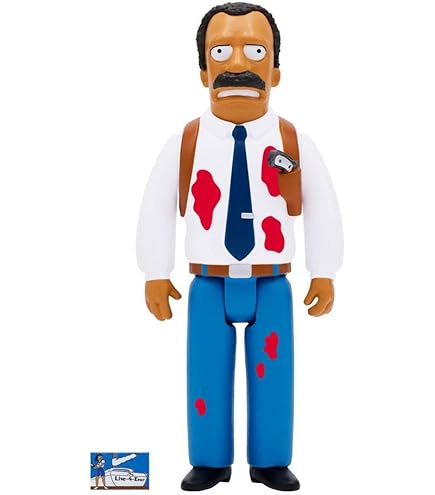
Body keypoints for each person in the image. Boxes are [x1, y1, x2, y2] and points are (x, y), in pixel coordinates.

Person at [136, 2, 343, 491]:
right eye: (220, 52)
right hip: (207, 284)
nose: (236, 66)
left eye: (254, 52)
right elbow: (157, 206)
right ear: (202, 71)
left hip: (272, 283)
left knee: (274, 375)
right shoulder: (187, 142)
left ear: (276, 71)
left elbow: (322, 204)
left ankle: (270, 459)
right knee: (205, 372)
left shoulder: (292, 141)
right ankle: (210, 459)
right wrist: (155, 272)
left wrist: (324, 269)